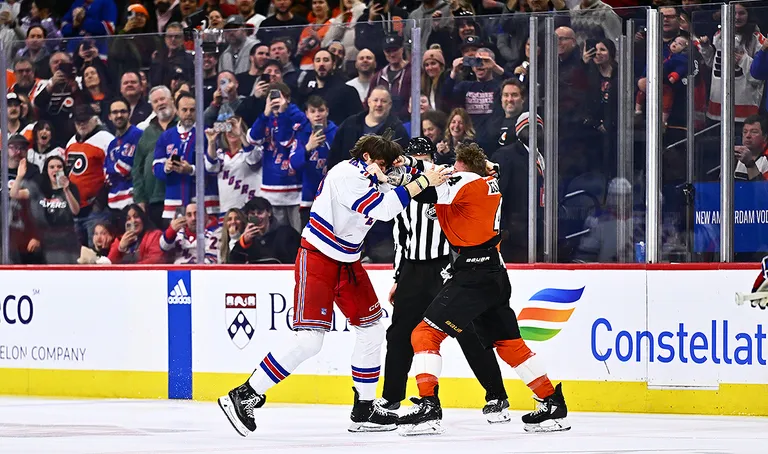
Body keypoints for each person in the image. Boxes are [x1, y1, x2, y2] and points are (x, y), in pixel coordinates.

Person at [218, 132, 450, 437]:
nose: (386, 170)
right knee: (309, 340)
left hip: (348, 261)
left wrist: (419, 171)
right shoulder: (346, 174)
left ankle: (364, 408)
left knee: (372, 328)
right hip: (318, 259)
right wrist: (420, 182)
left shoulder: (372, 172)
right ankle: (245, 393)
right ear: (367, 158)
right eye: (382, 163)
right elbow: (383, 210)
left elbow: (409, 177)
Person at [394, 143, 569, 435]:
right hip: (493, 273)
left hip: (474, 274)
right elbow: (476, 171)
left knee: (424, 333)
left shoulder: (466, 181)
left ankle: (428, 406)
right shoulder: (489, 180)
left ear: (463, 167)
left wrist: (393, 176)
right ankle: (552, 402)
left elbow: (424, 190)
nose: (450, 172)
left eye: (455, 167)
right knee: (510, 345)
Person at [381, 137, 511, 422]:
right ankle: (391, 398)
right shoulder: (403, 189)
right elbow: (399, 239)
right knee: (400, 333)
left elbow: (487, 175)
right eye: (414, 155)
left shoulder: (448, 180)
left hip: (446, 266)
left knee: (469, 331)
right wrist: (398, 276)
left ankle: (496, 395)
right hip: (413, 269)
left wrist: (489, 166)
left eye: (424, 155)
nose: (421, 159)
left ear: (431, 156)